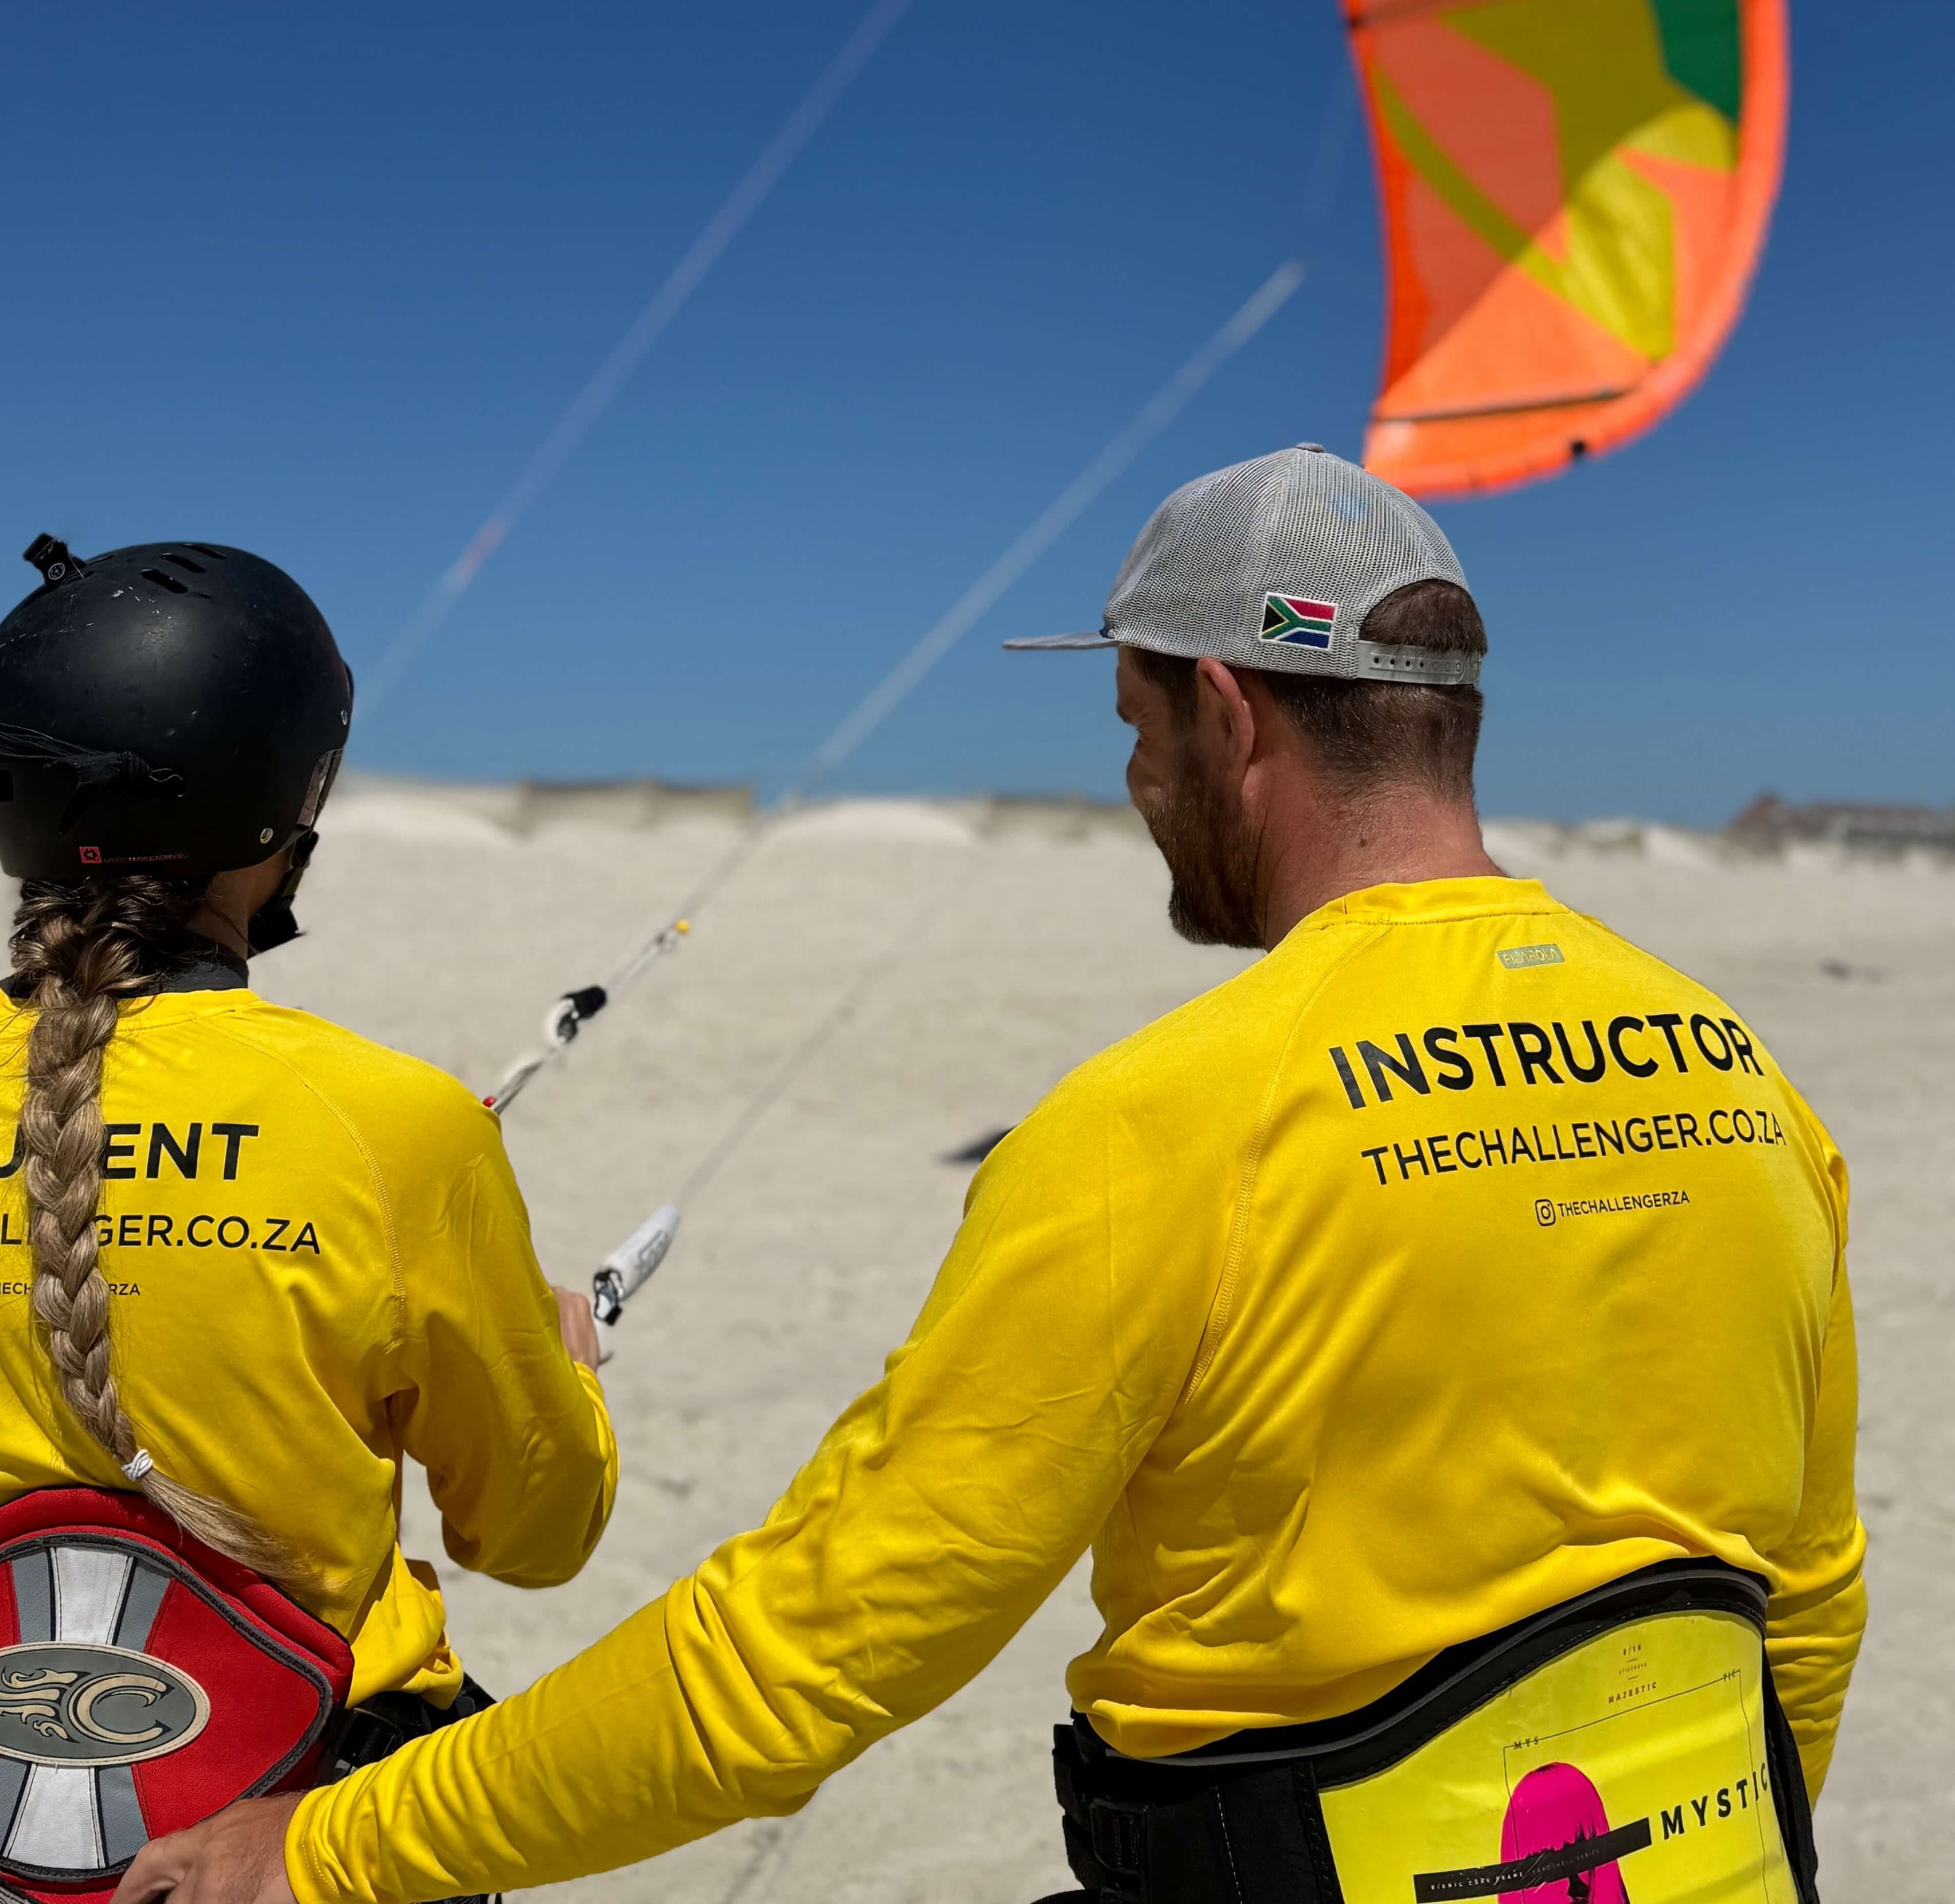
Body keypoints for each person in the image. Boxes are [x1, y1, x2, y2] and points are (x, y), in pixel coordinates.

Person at [116, 446, 1864, 1904]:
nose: (1132, 781)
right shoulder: (1750, 1085)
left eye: (1134, 724)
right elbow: (1813, 1592)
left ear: (1231, 712)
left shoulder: (1159, 1126)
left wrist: (325, 1849)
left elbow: (796, 1665)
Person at [0, 536, 616, 1903]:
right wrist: (561, 1360)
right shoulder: (392, 1123)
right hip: (292, 1836)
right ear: (286, 811)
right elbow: (536, 1530)